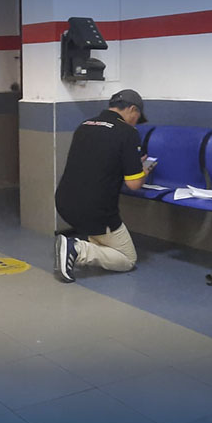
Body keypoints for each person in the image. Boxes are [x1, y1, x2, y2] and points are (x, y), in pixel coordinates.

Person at [54, 89, 154, 283]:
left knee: (102, 239)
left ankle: (79, 246)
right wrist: (143, 171)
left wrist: (131, 163)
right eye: (137, 117)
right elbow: (134, 184)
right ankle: (77, 249)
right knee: (127, 259)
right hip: (96, 211)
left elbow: (98, 161)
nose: (135, 122)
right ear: (132, 109)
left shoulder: (85, 125)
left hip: (65, 203)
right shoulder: (127, 133)